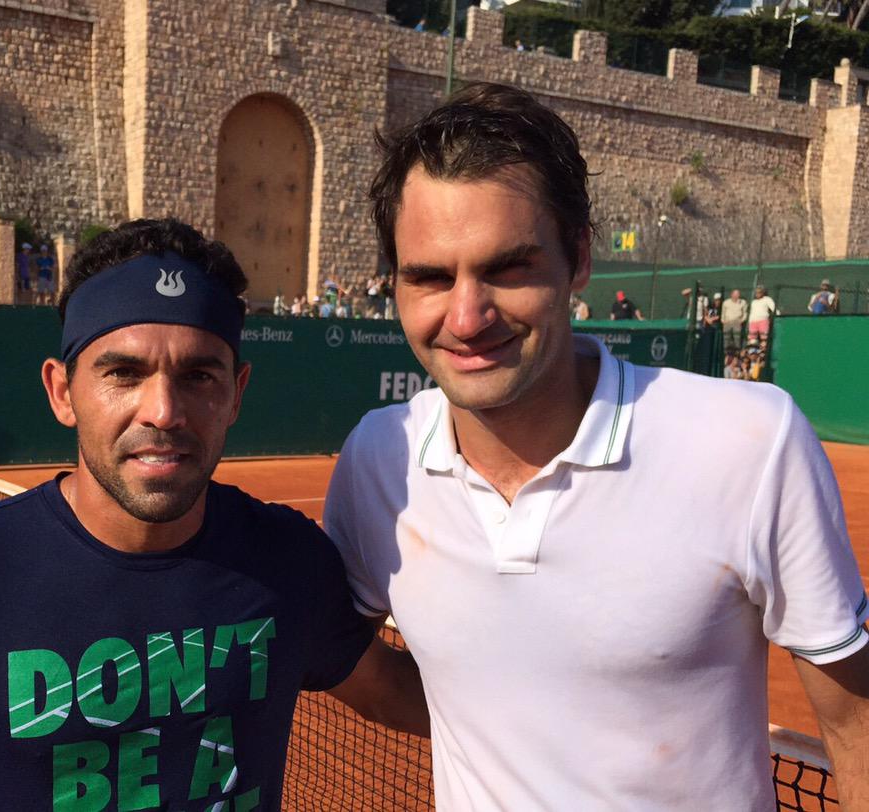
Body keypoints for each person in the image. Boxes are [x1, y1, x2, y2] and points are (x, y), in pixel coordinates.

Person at [326, 83, 869, 810]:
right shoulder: (376, 459)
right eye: (429, 276)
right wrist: (485, 714)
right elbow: (343, 651)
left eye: (507, 267)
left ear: (578, 259)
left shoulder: (751, 443)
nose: (466, 314)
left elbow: (854, 719)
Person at [0, 218, 427, 809]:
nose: (164, 411)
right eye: (123, 373)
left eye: (199, 375)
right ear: (63, 392)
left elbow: (395, 693)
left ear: (237, 393)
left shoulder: (291, 560)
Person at [721, 287, 748, 352]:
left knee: (737, 339)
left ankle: (737, 353)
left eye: (738, 294)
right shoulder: (726, 302)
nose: (736, 296)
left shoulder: (743, 302)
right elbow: (723, 313)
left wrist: (741, 321)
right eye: (735, 294)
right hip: (727, 322)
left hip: (737, 322)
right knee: (726, 338)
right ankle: (725, 354)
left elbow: (745, 313)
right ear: (731, 294)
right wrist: (723, 320)